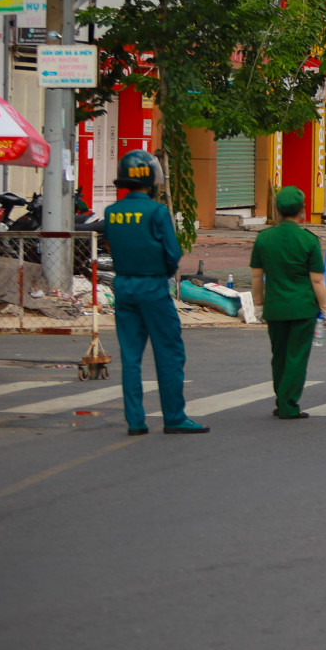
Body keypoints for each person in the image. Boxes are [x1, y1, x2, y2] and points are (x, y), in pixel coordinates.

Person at [100, 151, 207, 437]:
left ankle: (136, 421)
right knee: (168, 352)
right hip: (154, 287)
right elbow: (173, 255)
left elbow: (110, 246)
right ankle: (174, 417)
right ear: (150, 179)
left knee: (131, 356)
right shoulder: (158, 212)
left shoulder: (112, 212)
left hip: (123, 287)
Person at [246, 187, 326, 419]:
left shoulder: (264, 238)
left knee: (279, 355)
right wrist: (325, 308)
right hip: (302, 308)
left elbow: (256, 277)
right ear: (302, 211)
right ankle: (288, 404)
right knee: (296, 357)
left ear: (277, 211)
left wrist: (259, 304)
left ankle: (280, 399)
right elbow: (317, 279)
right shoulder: (308, 240)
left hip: (275, 308)